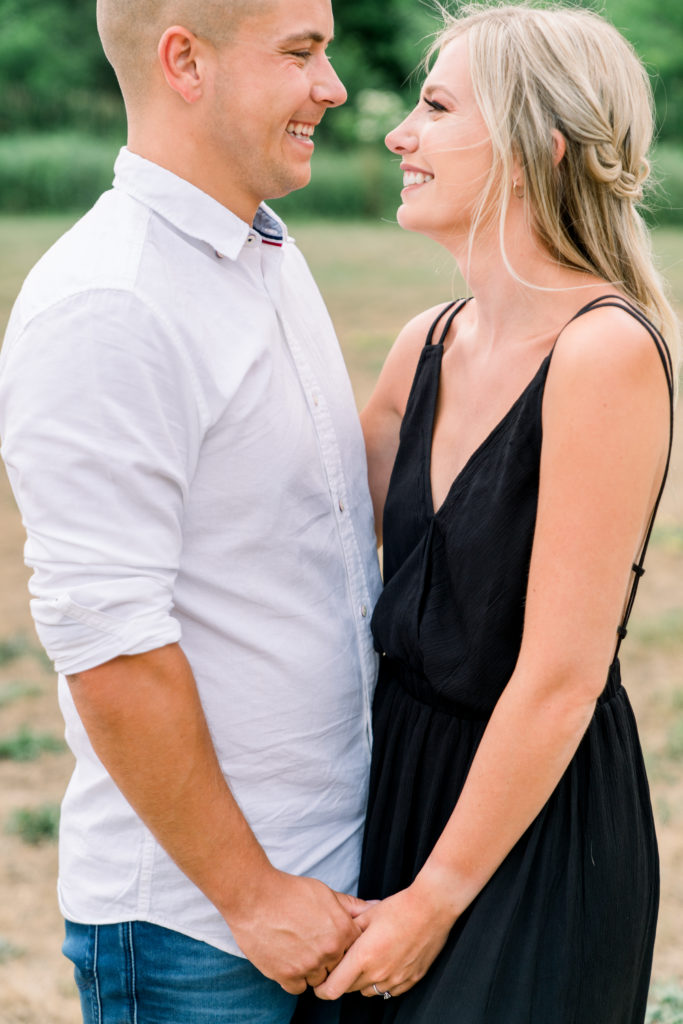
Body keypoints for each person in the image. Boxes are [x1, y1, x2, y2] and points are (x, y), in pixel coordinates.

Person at [0, 1, 382, 1022]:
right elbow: (108, 641)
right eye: (301, 53)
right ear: (185, 62)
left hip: (323, 890)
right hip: (201, 937)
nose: (332, 87)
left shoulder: (262, 248)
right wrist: (251, 898)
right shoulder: (111, 300)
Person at [313, 4, 679, 1022]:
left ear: (536, 147)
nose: (397, 134)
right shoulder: (421, 343)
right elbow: (300, 532)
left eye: (432, 108)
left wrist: (433, 898)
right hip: (394, 796)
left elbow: (559, 680)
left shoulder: (602, 354)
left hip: (527, 832)